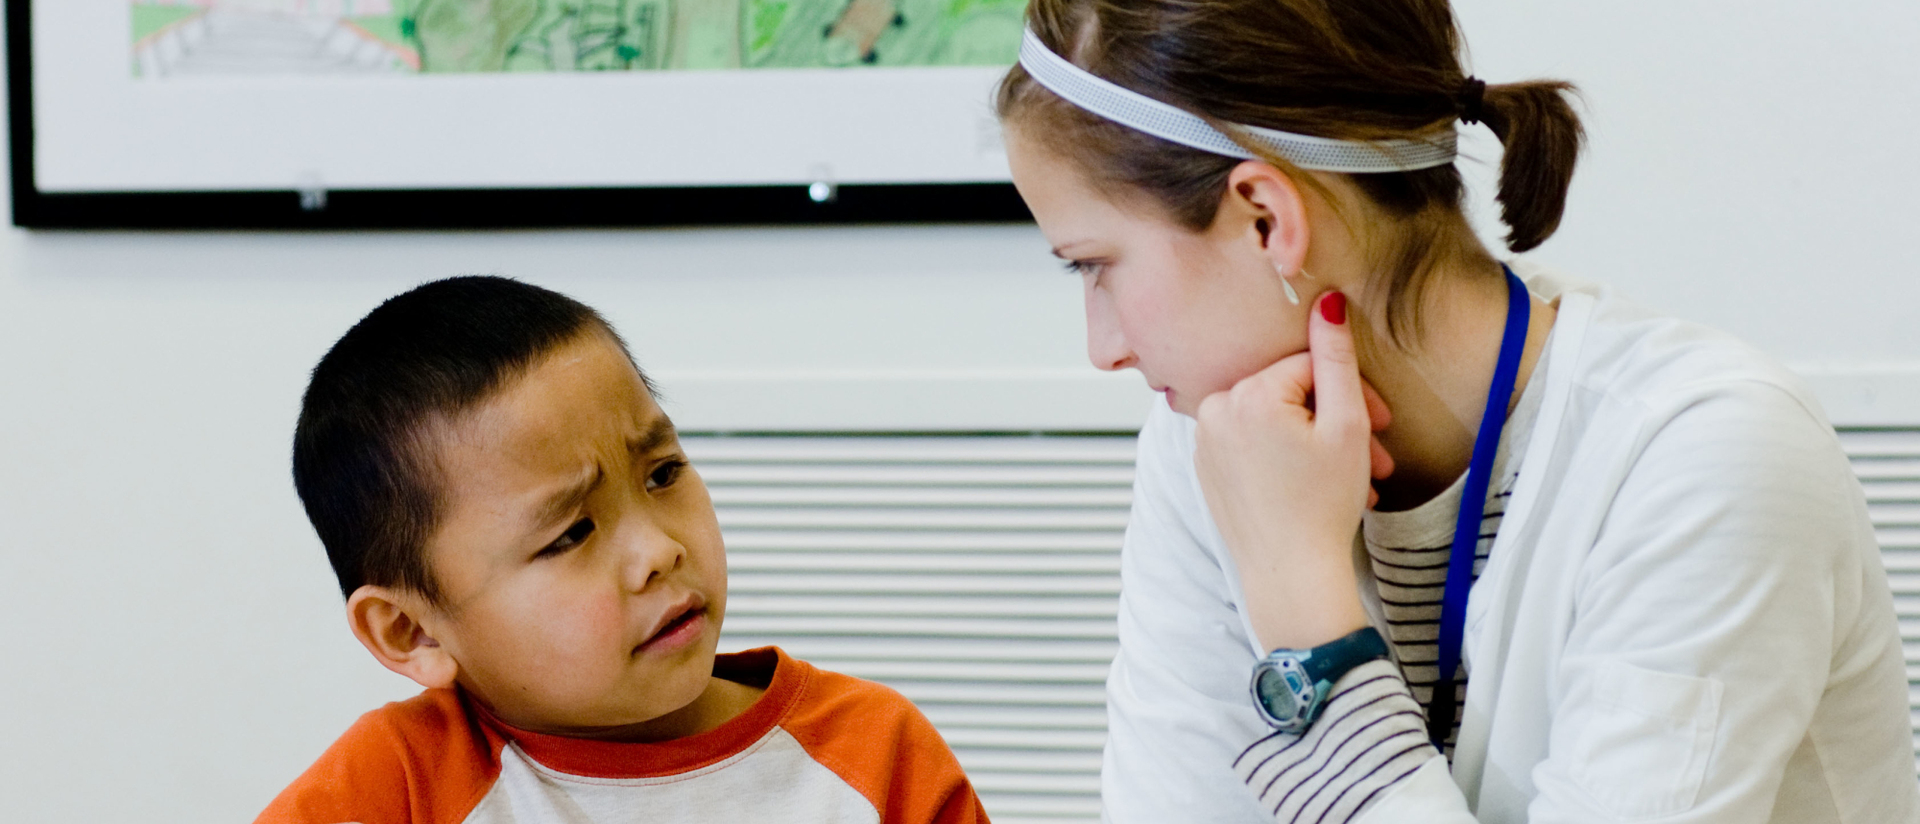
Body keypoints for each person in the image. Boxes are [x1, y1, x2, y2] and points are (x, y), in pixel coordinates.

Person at [994, 1, 1920, 822]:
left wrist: (1309, 629)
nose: (1102, 347)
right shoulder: (1217, 443)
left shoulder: (1708, 455)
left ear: (1265, 218)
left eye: (1095, 266)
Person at [261, 276, 989, 824]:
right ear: (412, 629)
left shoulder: (873, 755)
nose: (659, 550)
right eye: (570, 533)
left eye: (663, 474)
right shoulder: (395, 787)